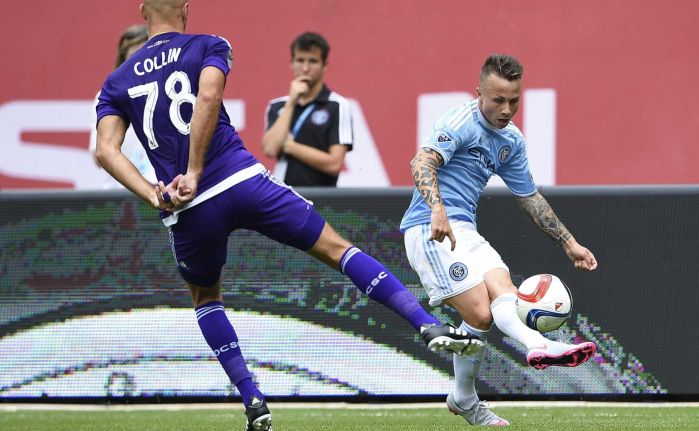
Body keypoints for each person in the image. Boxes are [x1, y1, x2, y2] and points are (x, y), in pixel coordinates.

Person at [94, 2, 480, 430]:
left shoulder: (116, 81)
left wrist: (152, 193)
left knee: (206, 299)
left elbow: (105, 150)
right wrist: (197, 170)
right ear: (186, 9)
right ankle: (425, 324)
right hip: (240, 181)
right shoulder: (209, 45)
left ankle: (252, 397)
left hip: (188, 209)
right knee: (338, 249)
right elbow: (208, 95)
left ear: (142, 9)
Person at [400, 54, 598, 426]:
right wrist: (437, 209)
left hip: (466, 230)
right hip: (429, 227)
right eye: (498, 100)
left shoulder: (510, 140)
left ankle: (470, 391)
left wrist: (568, 242)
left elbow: (529, 196)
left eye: (515, 100)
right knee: (478, 312)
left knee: (505, 289)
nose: (507, 109)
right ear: (479, 94)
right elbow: (421, 163)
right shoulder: (459, 121)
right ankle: (534, 346)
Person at [261, 32, 352, 187]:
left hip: (322, 200)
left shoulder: (337, 105)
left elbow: (334, 164)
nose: (305, 68)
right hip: (283, 197)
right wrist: (291, 102)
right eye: (300, 60)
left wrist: (290, 146)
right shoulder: (277, 106)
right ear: (291, 63)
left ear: (325, 65)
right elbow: (270, 149)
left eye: (313, 61)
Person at [88, 24, 157, 188]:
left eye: (146, 55)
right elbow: (98, 155)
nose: (141, 63)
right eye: (134, 57)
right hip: (119, 193)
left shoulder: (171, 92)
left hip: (165, 192)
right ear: (123, 61)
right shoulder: (106, 97)